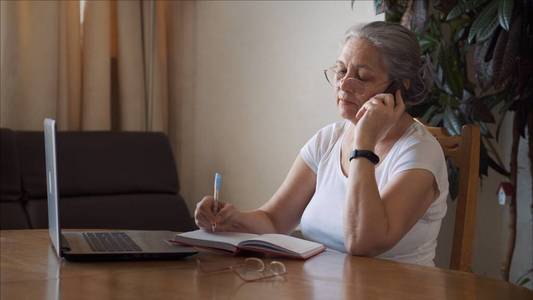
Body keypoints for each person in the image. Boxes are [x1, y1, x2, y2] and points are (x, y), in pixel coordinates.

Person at [194, 21, 448, 267]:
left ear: (399, 87)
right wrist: (230, 219)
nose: (344, 84)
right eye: (340, 70)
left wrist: (363, 143)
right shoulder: (328, 139)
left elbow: (363, 243)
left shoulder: (420, 152)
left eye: (362, 76)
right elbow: (274, 221)